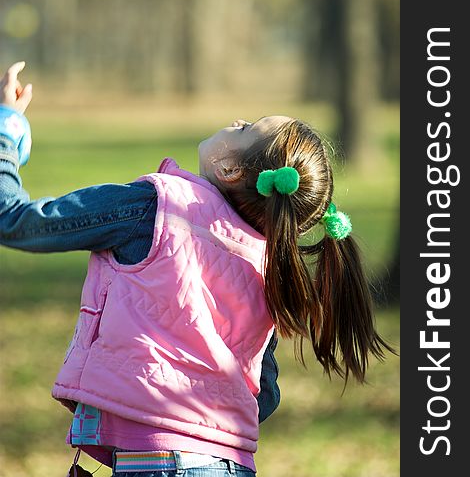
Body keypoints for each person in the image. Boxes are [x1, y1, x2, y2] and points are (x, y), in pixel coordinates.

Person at [0, 62, 393, 476]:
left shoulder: (153, 207)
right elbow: (264, 393)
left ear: (230, 170)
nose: (238, 120)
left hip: (158, 464)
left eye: (247, 128)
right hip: (229, 465)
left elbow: (18, 221)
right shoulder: (267, 261)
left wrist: (8, 128)